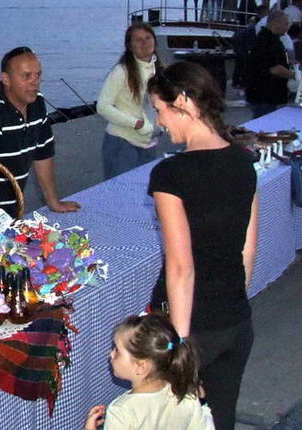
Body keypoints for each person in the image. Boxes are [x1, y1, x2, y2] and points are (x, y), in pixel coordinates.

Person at [146, 62, 258, 430]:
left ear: (181, 102)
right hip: (235, 321)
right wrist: (230, 305)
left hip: (188, 326)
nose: (159, 122)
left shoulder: (171, 174)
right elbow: (247, 250)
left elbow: (181, 267)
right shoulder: (244, 162)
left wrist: (179, 347)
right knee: (220, 420)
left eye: (160, 109)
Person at [0, 46, 80, 215]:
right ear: (6, 79)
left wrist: (54, 203)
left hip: (14, 208)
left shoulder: (37, 102)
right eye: (26, 76)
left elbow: (43, 155)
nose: (35, 82)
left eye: (38, 75)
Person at [84, 314, 213, 430]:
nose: (111, 354)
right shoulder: (184, 392)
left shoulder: (121, 411)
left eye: (117, 350)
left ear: (141, 367)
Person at [97, 22, 162, 180]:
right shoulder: (122, 71)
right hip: (122, 144)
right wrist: (136, 124)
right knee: (120, 191)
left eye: (148, 38)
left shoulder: (159, 70)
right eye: (138, 40)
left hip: (149, 144)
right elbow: (103, 106)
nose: (144, 43)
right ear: (130, 46)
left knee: (144, 191)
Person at [247, 10, 295, 117]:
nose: (287, 27)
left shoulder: (272, 38)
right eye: (285, 24)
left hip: (268, 95)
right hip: (265, 95)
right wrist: (294, 75)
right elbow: (274, 68)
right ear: (275, 23)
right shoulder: (267, 41)